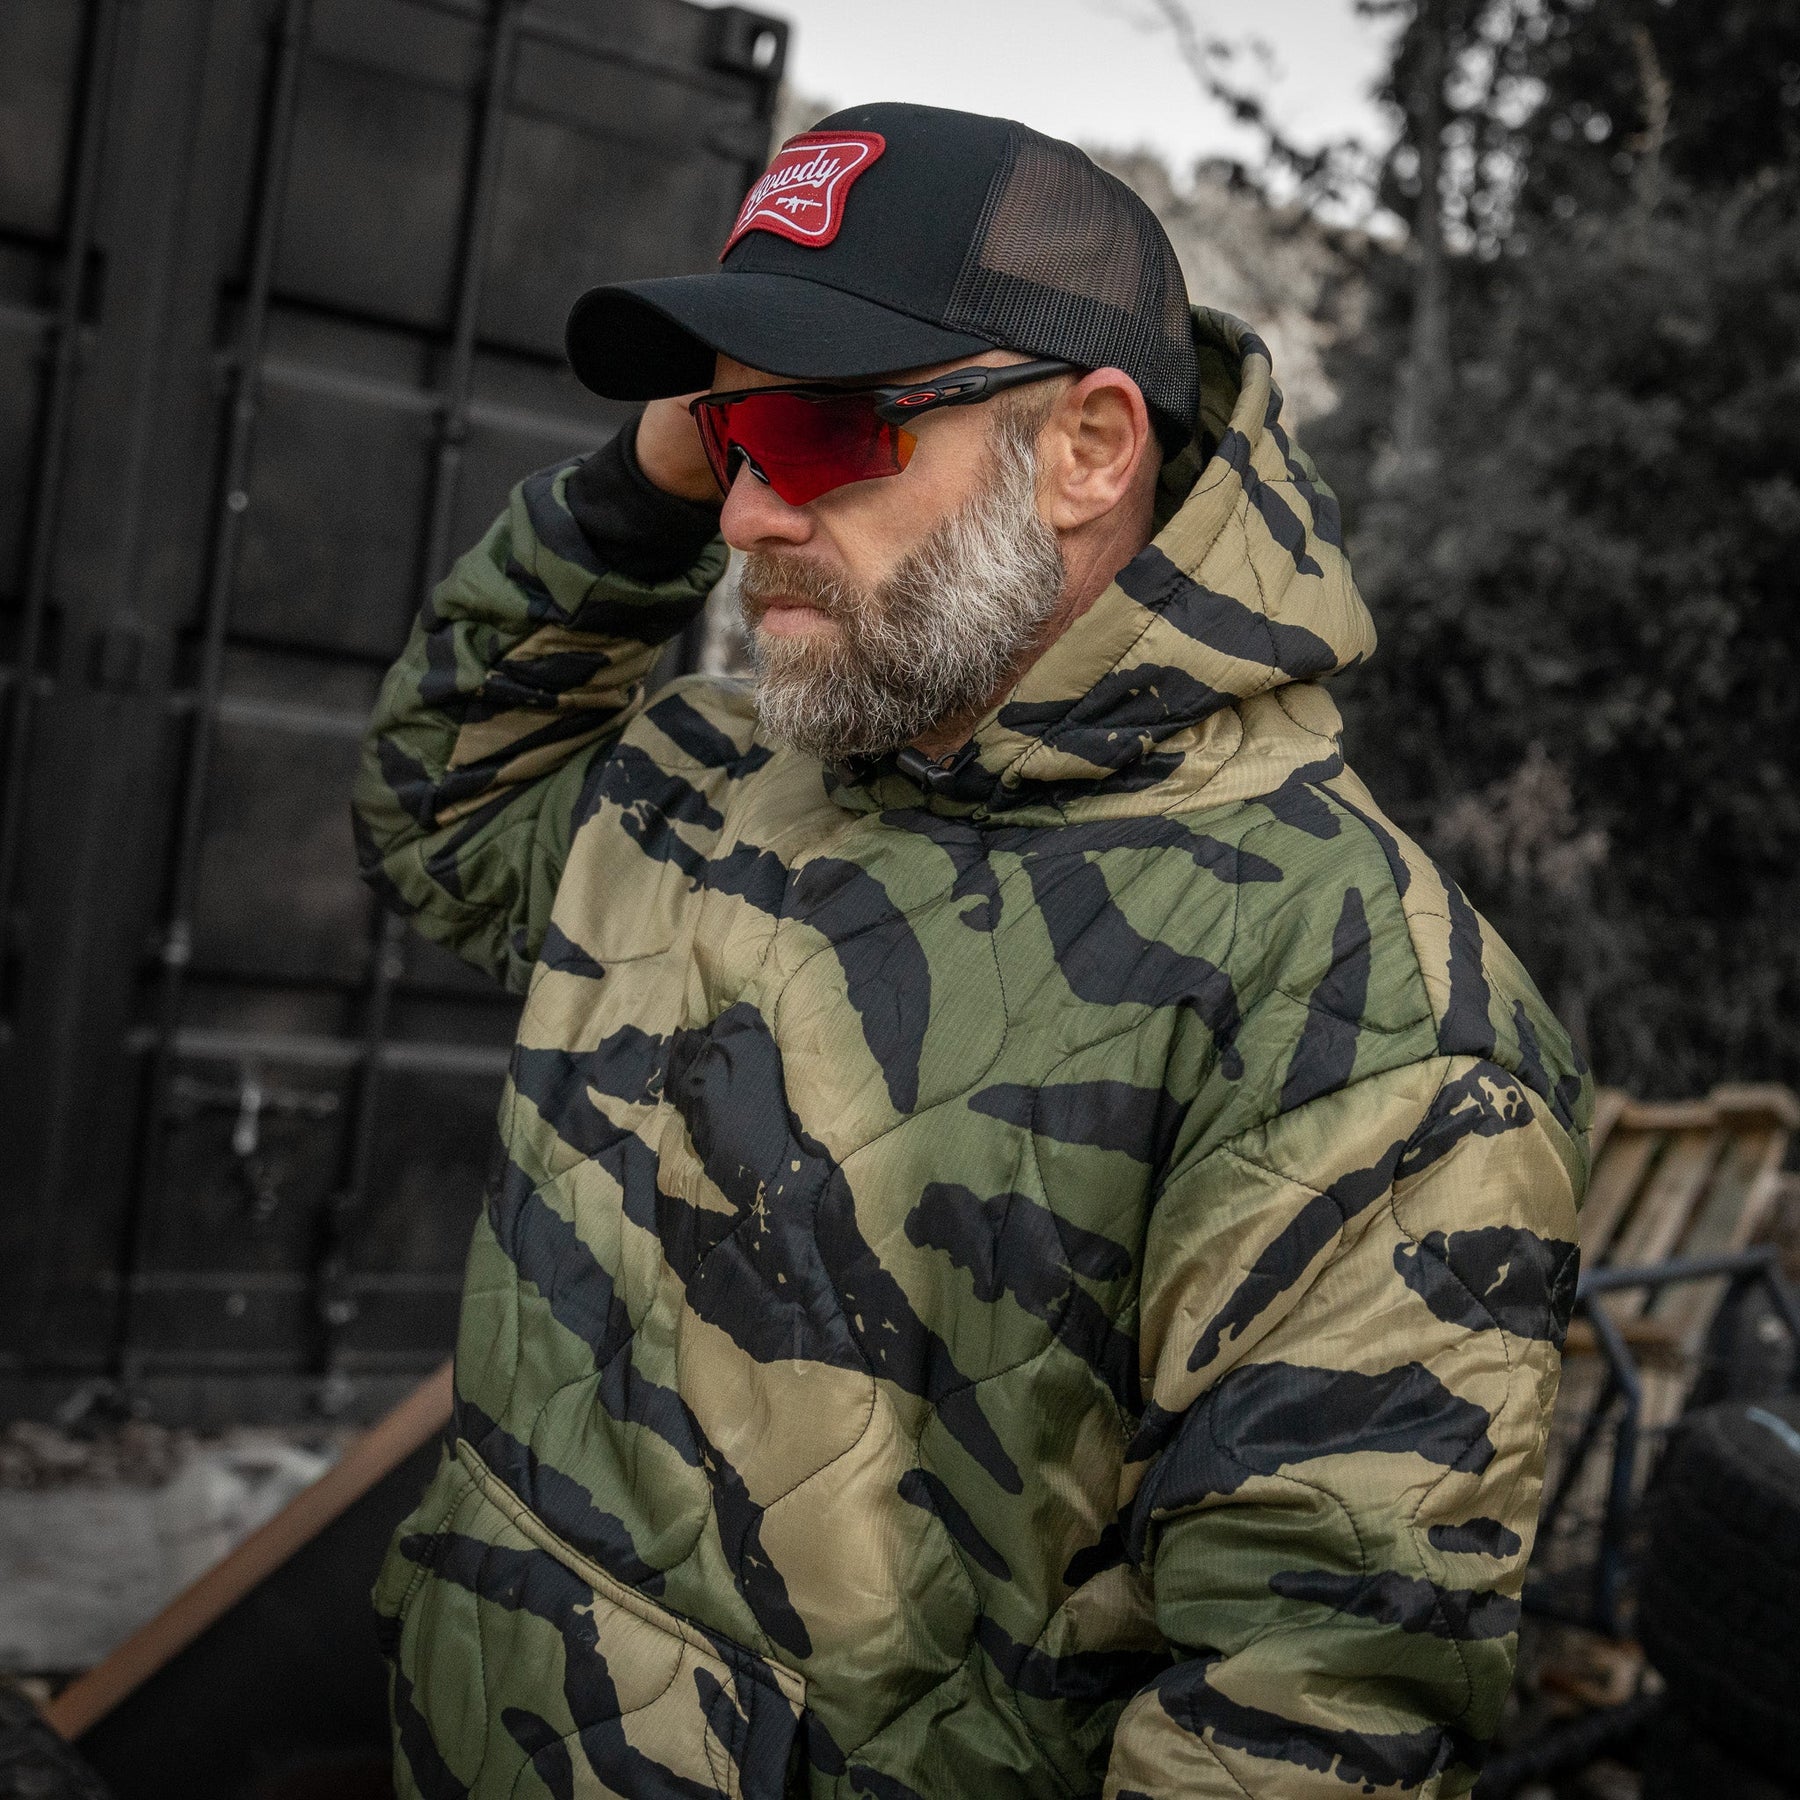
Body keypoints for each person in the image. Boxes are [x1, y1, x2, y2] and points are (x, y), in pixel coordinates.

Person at [356, 102, 1589, 1800]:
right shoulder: (710, 772)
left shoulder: (1363, 1007)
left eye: (817, 430)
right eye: (723, 439)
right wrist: (642, 488)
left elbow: (1301, 1718)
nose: (743, 516)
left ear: (1088, 449)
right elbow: (437, 806)